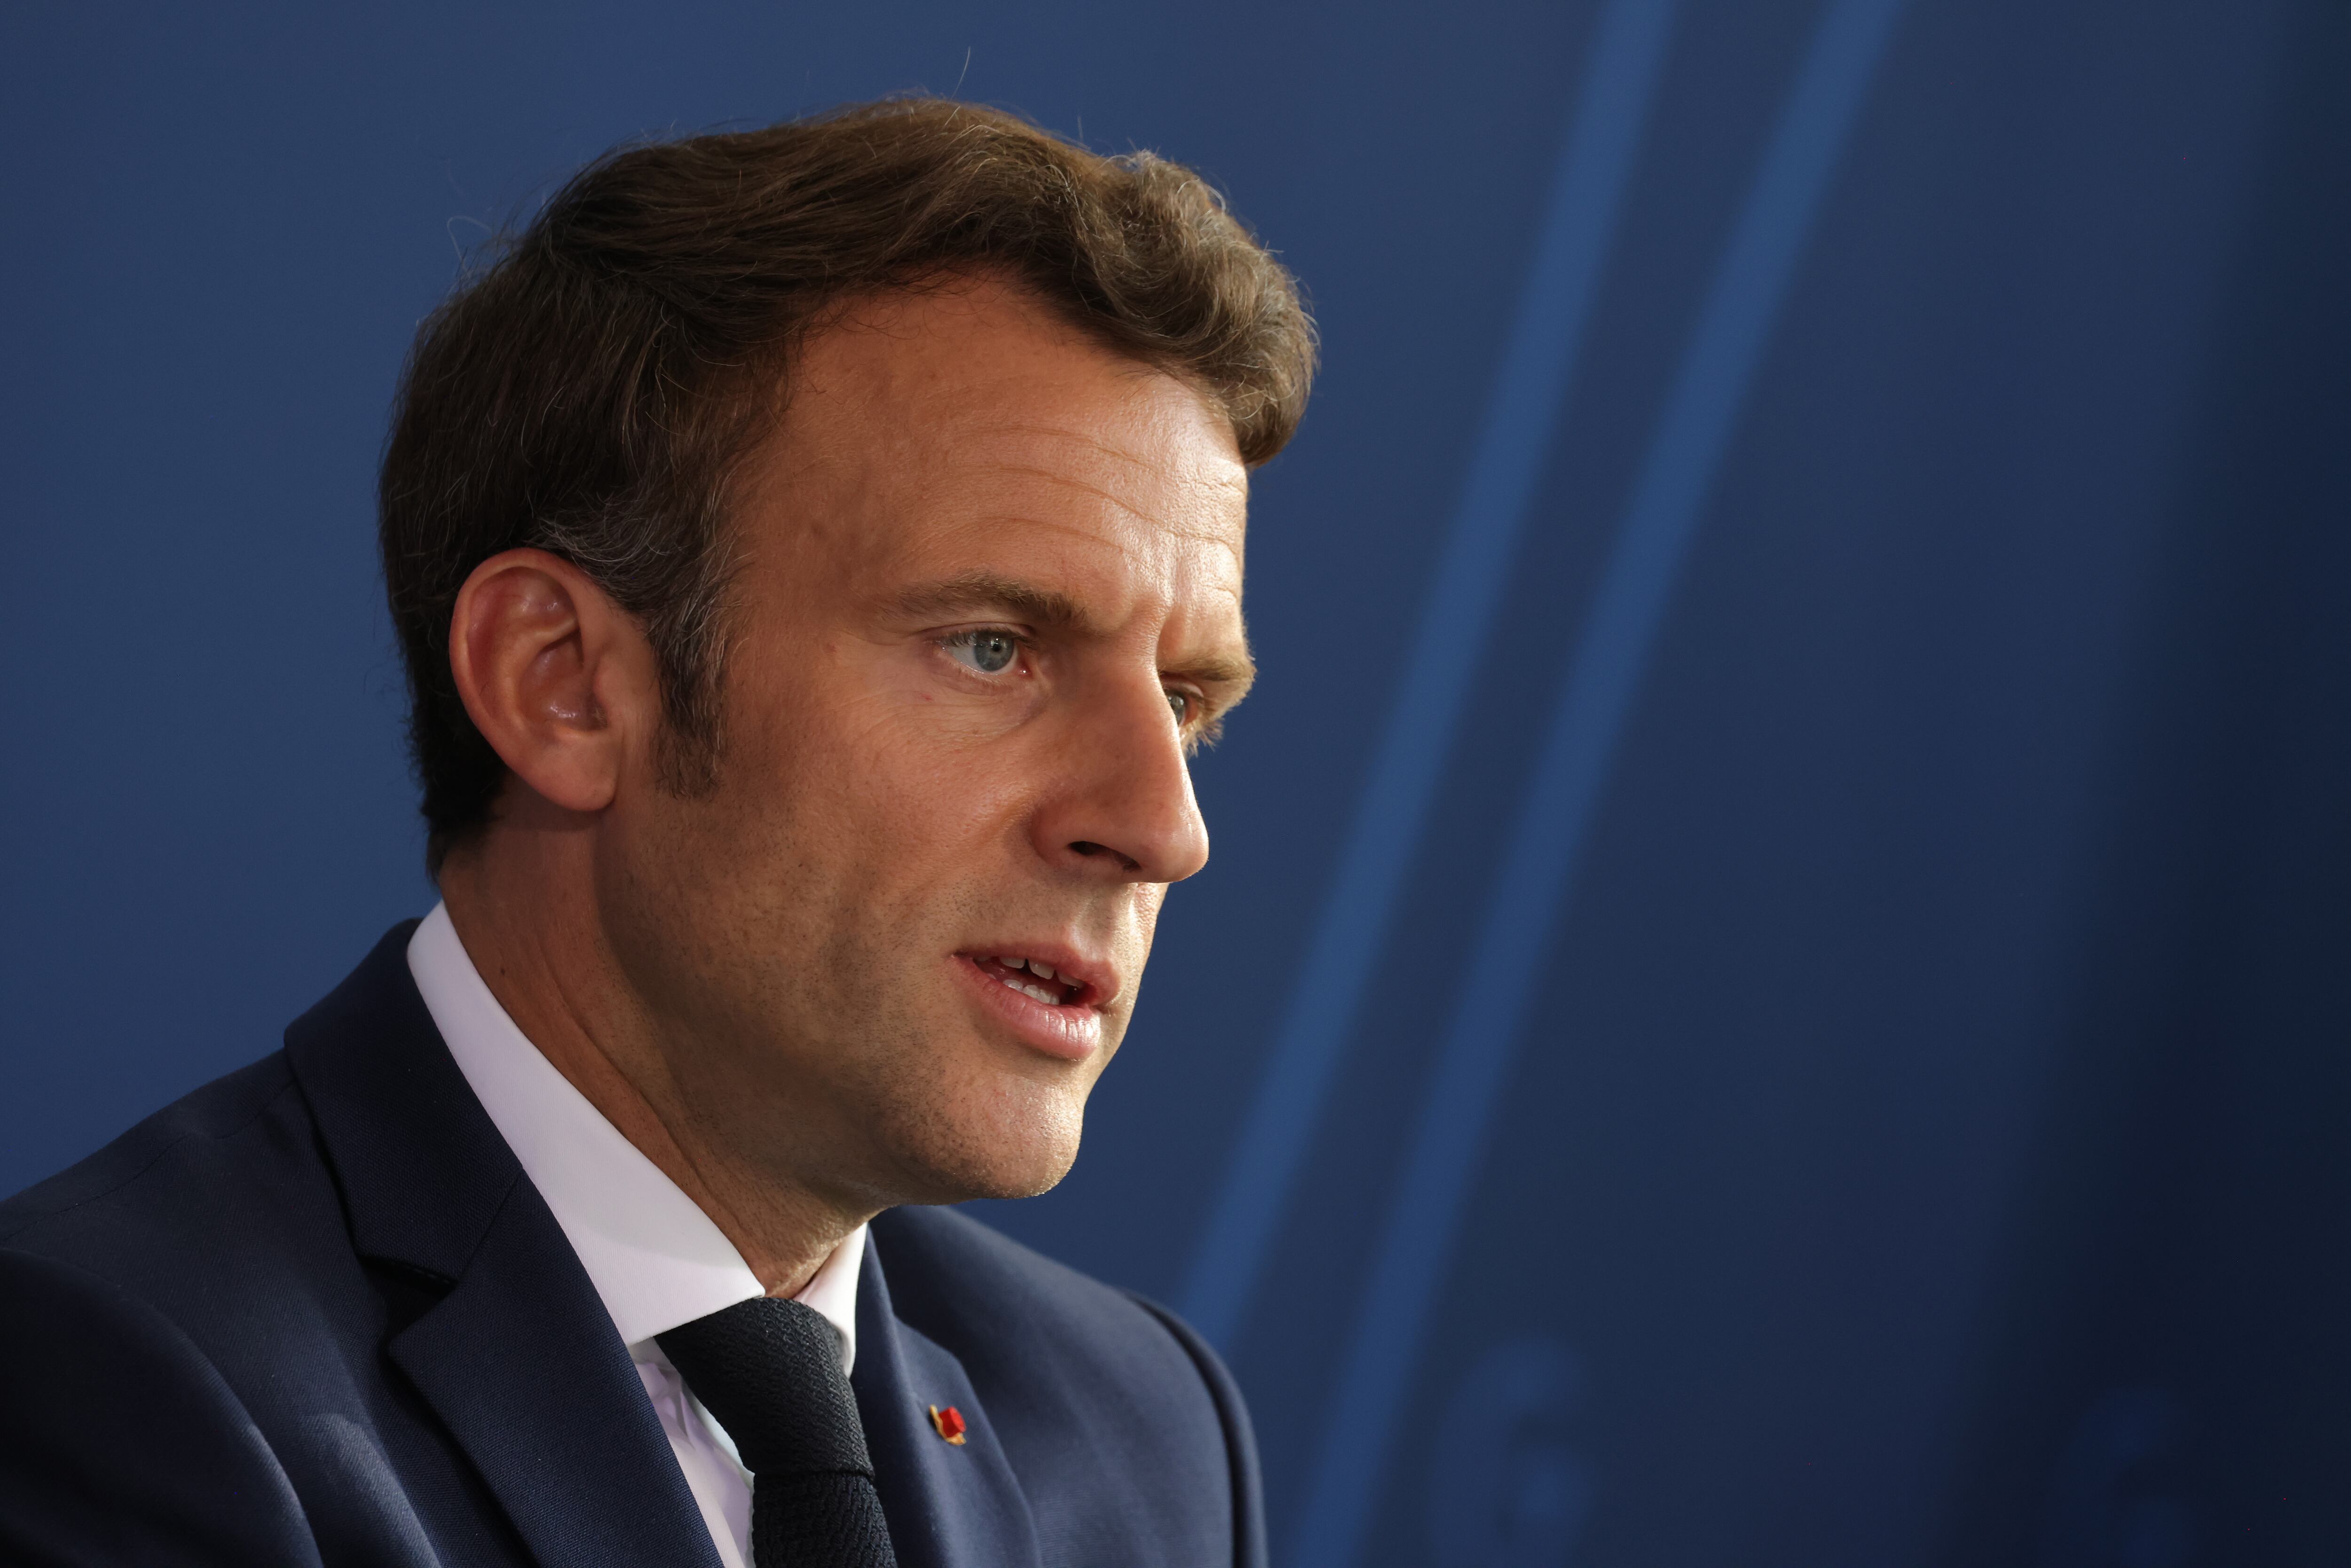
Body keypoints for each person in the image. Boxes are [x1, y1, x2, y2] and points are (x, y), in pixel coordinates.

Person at [0, 97, 1315, 1568]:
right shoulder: (114, 1386)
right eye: (994, 647)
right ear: (561, 684)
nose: (1161, 826)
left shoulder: (1146, 1436)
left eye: (1188, 698)